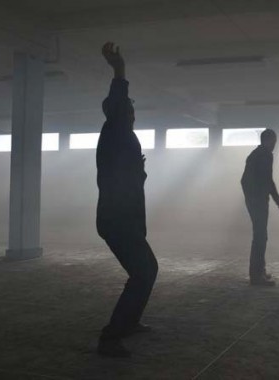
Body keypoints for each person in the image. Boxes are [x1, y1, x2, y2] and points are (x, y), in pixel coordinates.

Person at [96, 42, 158, 357]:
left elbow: (128, 177)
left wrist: (139, 171)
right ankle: (111, 337)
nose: (132, 111)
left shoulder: (122, 138)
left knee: (147, 270)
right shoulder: (116, 129)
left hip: (124, 217)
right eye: (128, 107)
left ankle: (129, 323)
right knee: (144, 272)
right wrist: (119, 68)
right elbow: (118, 100)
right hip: (117, 219)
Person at [241, 129, 279, 286]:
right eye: (274, 141)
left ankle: (259, 271)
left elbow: (244, 181)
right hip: (259, 201)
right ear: (268, 140)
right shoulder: (266, 155)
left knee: (261, 236)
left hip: (254, 200)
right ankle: (256, 276)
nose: (275, 144)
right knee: (260, 237)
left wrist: (250, 197)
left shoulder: (255, 154)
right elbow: (269, 182)